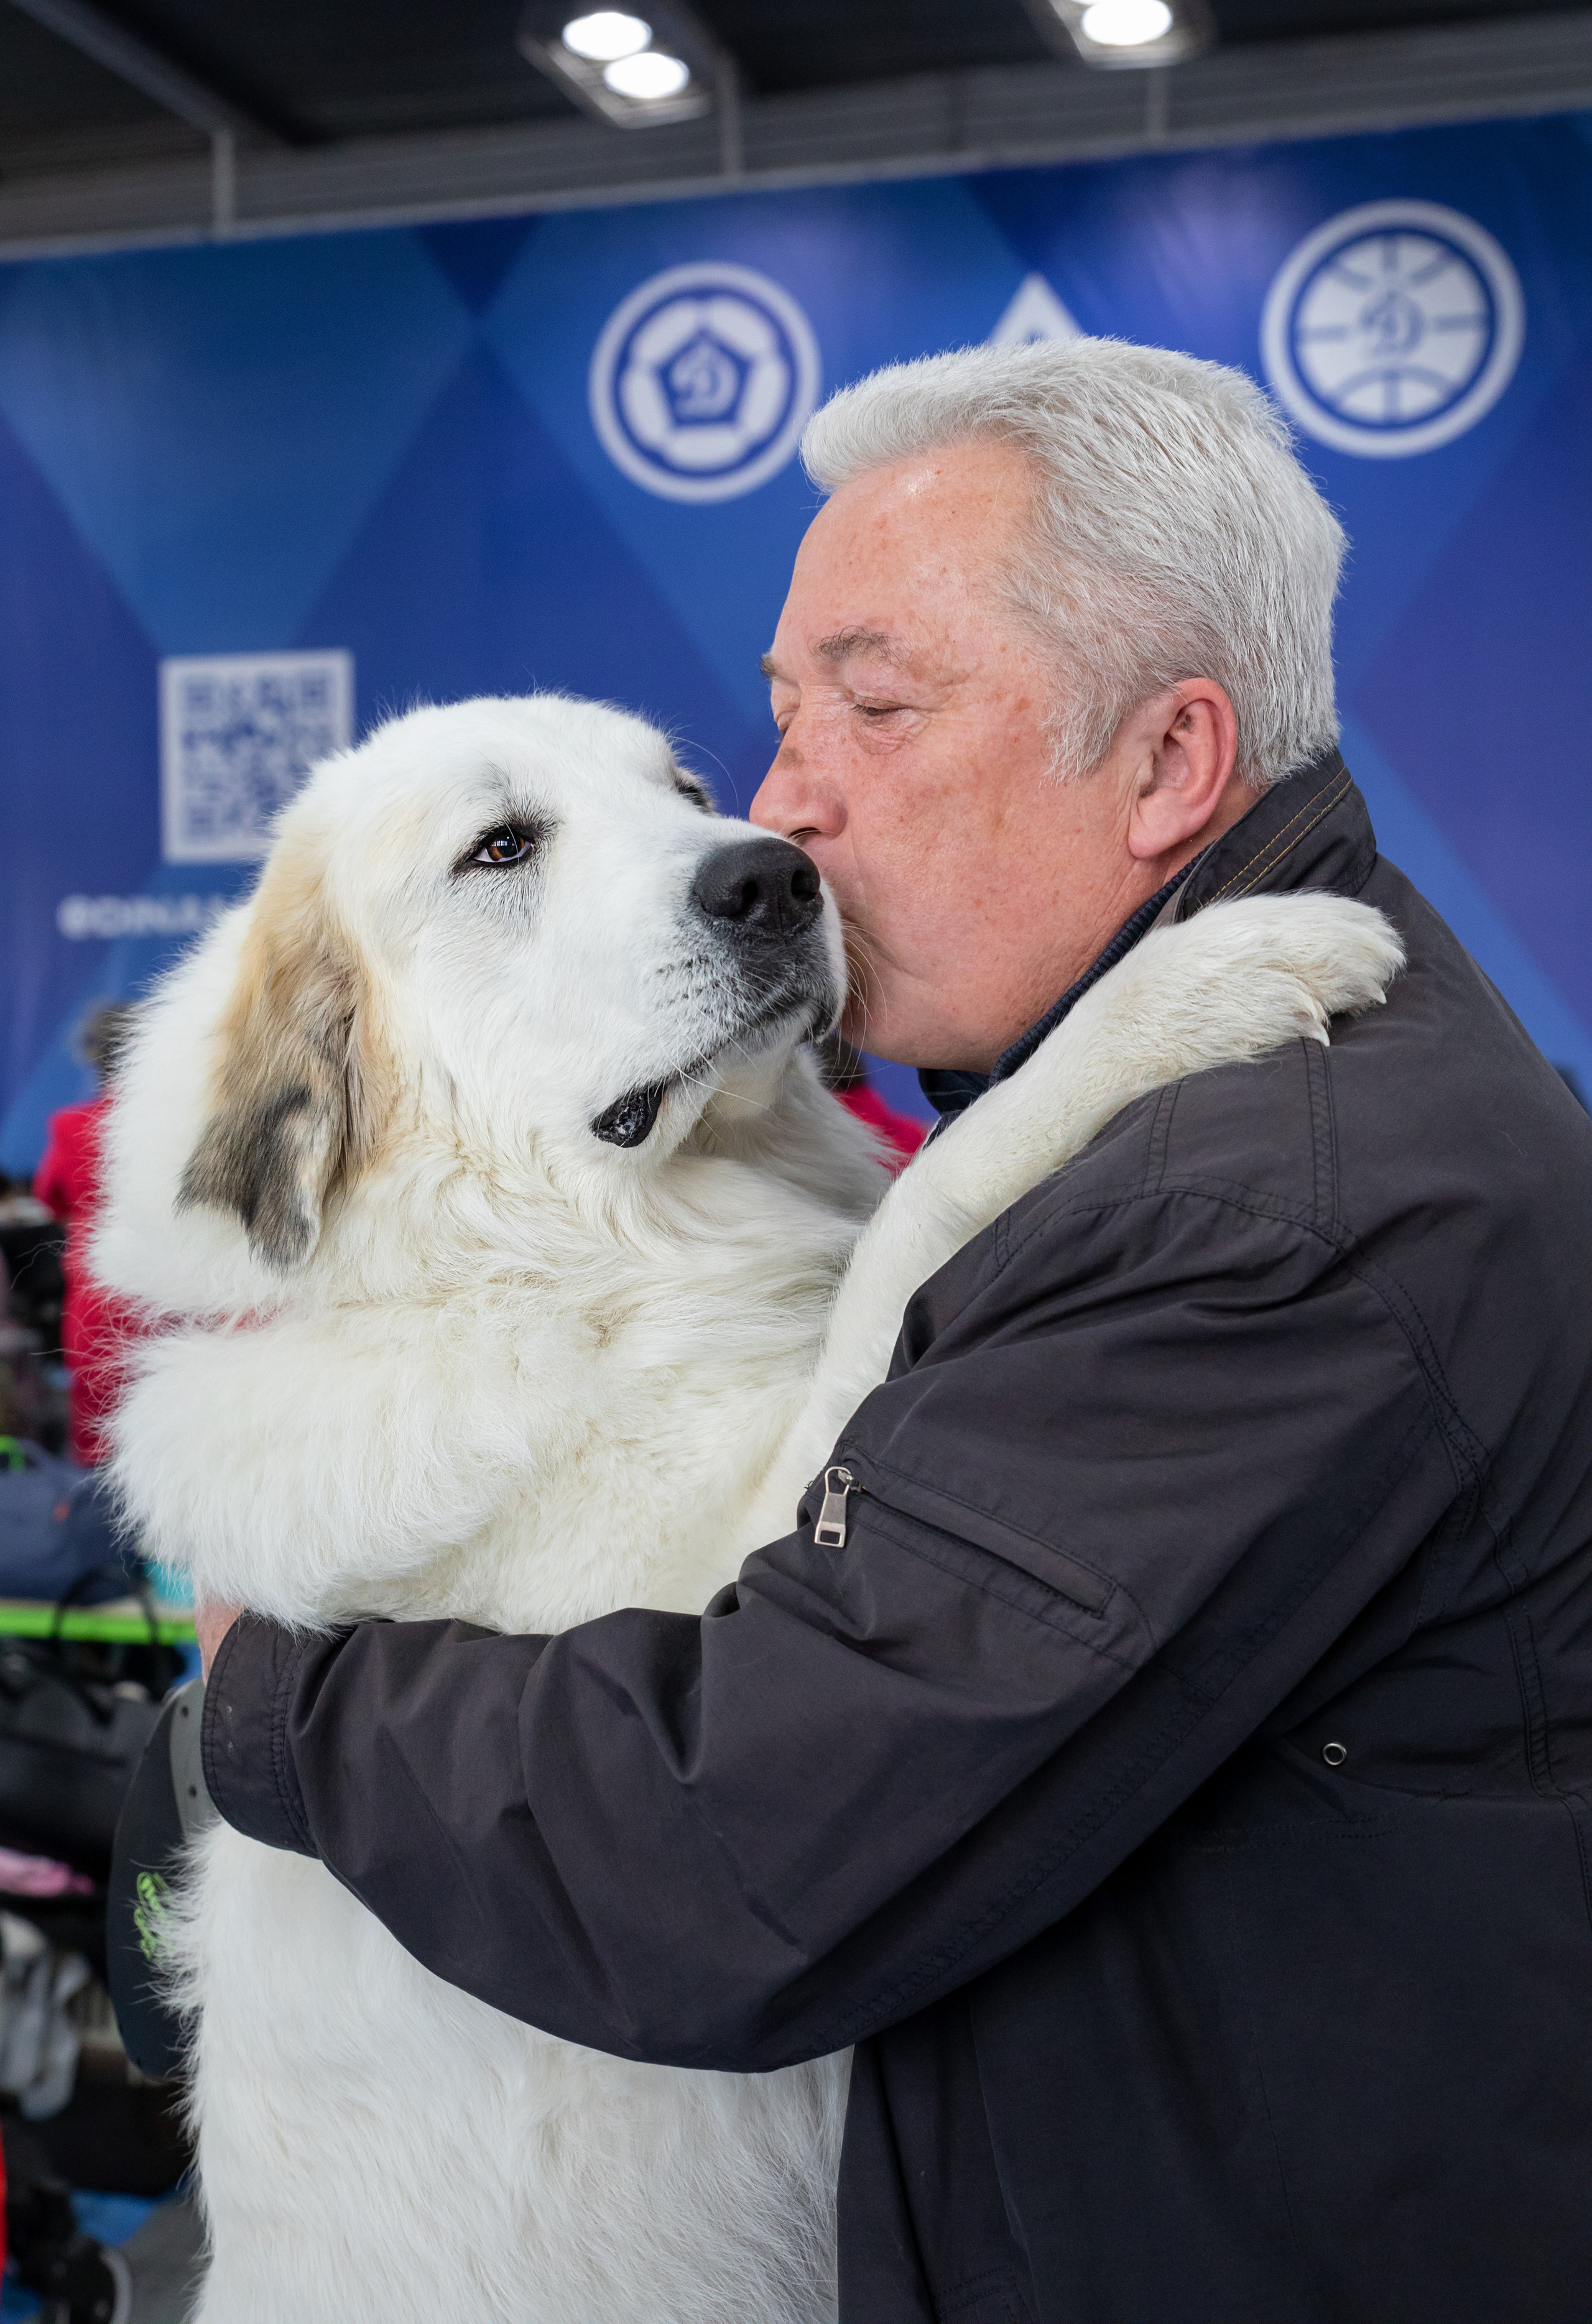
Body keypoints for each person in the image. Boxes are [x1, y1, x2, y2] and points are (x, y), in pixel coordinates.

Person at [195, 341, 1592, 2322]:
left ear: (1169, 765)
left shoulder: (1260, 1209)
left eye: (876, 706)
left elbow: (738, 1834)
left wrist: (273, 1704)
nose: (779, 811)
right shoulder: (1245, 1123)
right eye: (778, 716)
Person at [33, 1005, 144, 1465]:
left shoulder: (71, 1126)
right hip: (169, 1294)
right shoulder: (174, 1125)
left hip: (98, 1300)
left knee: (101, 1439)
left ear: (92, 1057)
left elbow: (50, 1197)